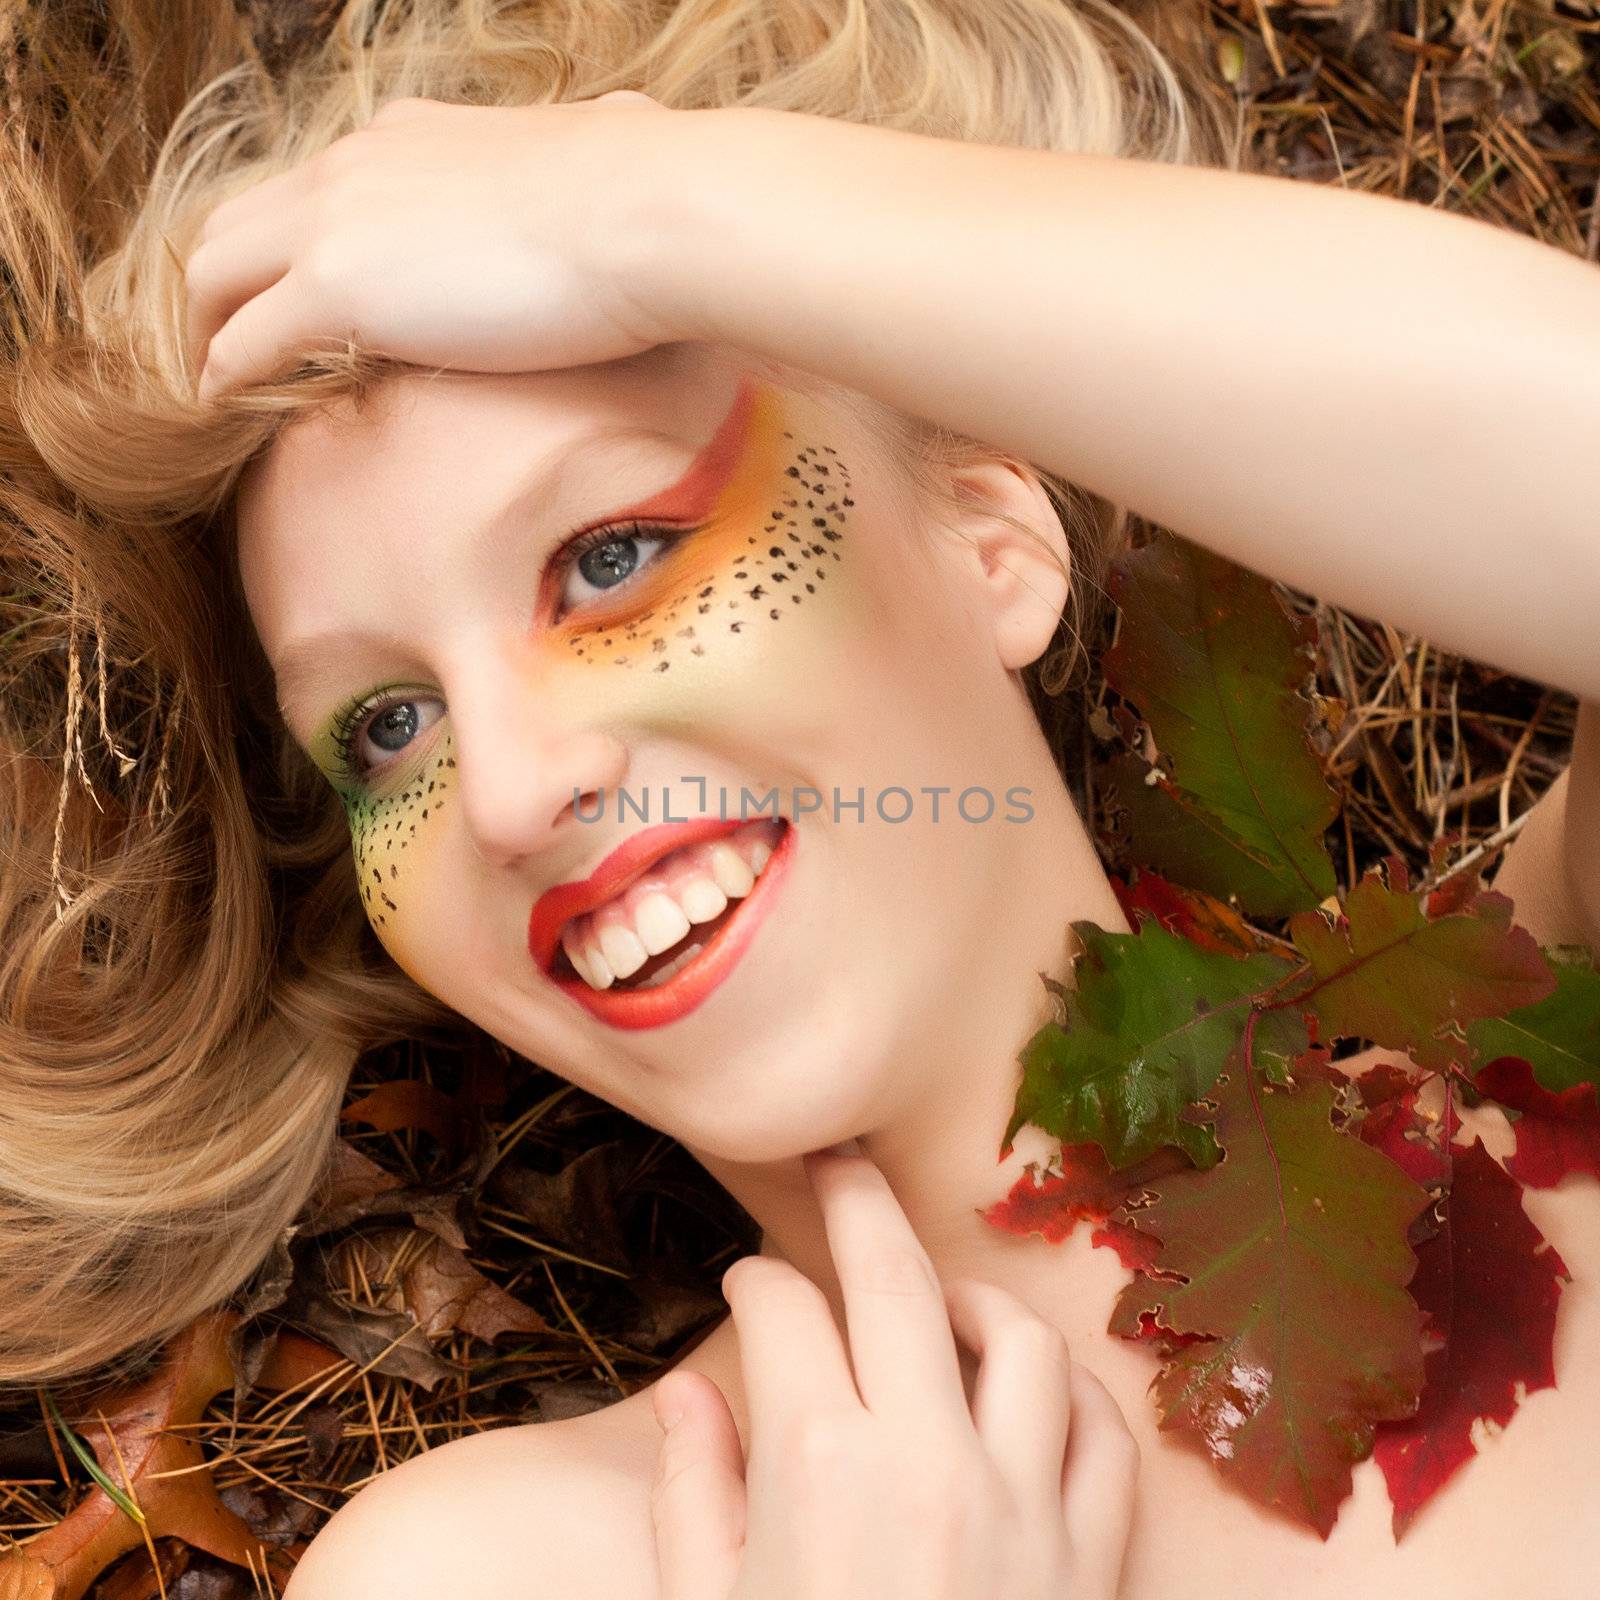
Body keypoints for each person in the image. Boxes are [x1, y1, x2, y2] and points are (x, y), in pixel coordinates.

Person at [3, 1, 1597, 1596]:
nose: (503, 790)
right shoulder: (525, 1567)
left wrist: (648, 209)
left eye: (611, 557)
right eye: (388, 724)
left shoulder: (1549, 1081)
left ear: (991, 540)